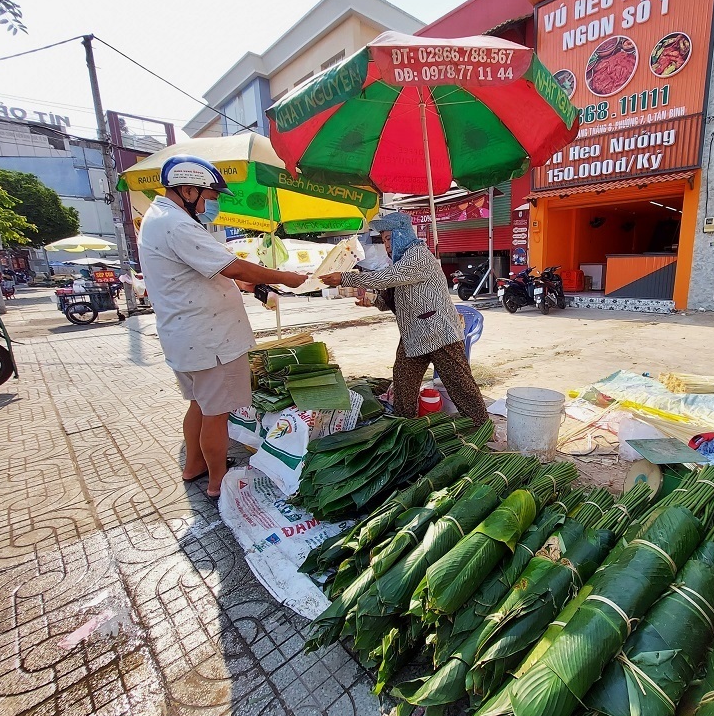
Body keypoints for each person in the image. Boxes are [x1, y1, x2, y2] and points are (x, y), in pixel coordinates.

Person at [137, 155, 308, 499]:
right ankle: (218, 482)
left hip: (186, 337)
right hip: (210, 341)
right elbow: (233, 267)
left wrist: (251, 285)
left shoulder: (158, 219)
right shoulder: (177, 225)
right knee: (216, 414)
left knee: (199, 405)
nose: (211, 206)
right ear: (188, 190)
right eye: (210, 197)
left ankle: (194, 466)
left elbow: (206, 273)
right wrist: (285, 277)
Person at [320, 212, 489, 427]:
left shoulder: (418, 255)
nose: (386, 245)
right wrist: (373, 300)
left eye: (389, 238)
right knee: (403, 382)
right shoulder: (400, 263)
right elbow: (390, 298)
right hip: (414, 336)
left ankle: (482, 427)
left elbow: (388, 278)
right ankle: (405, 427)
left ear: (402, 234)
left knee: (460, 384)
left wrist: (346, 277)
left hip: (439, 332)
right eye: (383, 240)